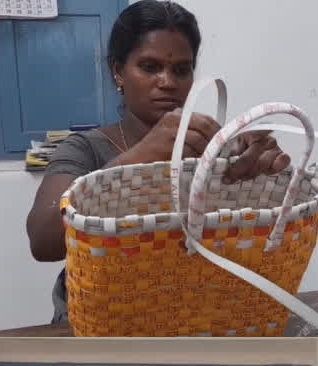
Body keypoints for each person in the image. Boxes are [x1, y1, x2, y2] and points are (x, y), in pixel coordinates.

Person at [24, 0, 291, 324]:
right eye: (150, 67)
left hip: (192, 315)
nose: (167, 82)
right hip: (103, 321)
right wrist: (142, 157)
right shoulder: (87, 149)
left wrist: (262, 172)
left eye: (181, 69)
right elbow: (42, 242)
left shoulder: (209, 150)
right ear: (118, 71)